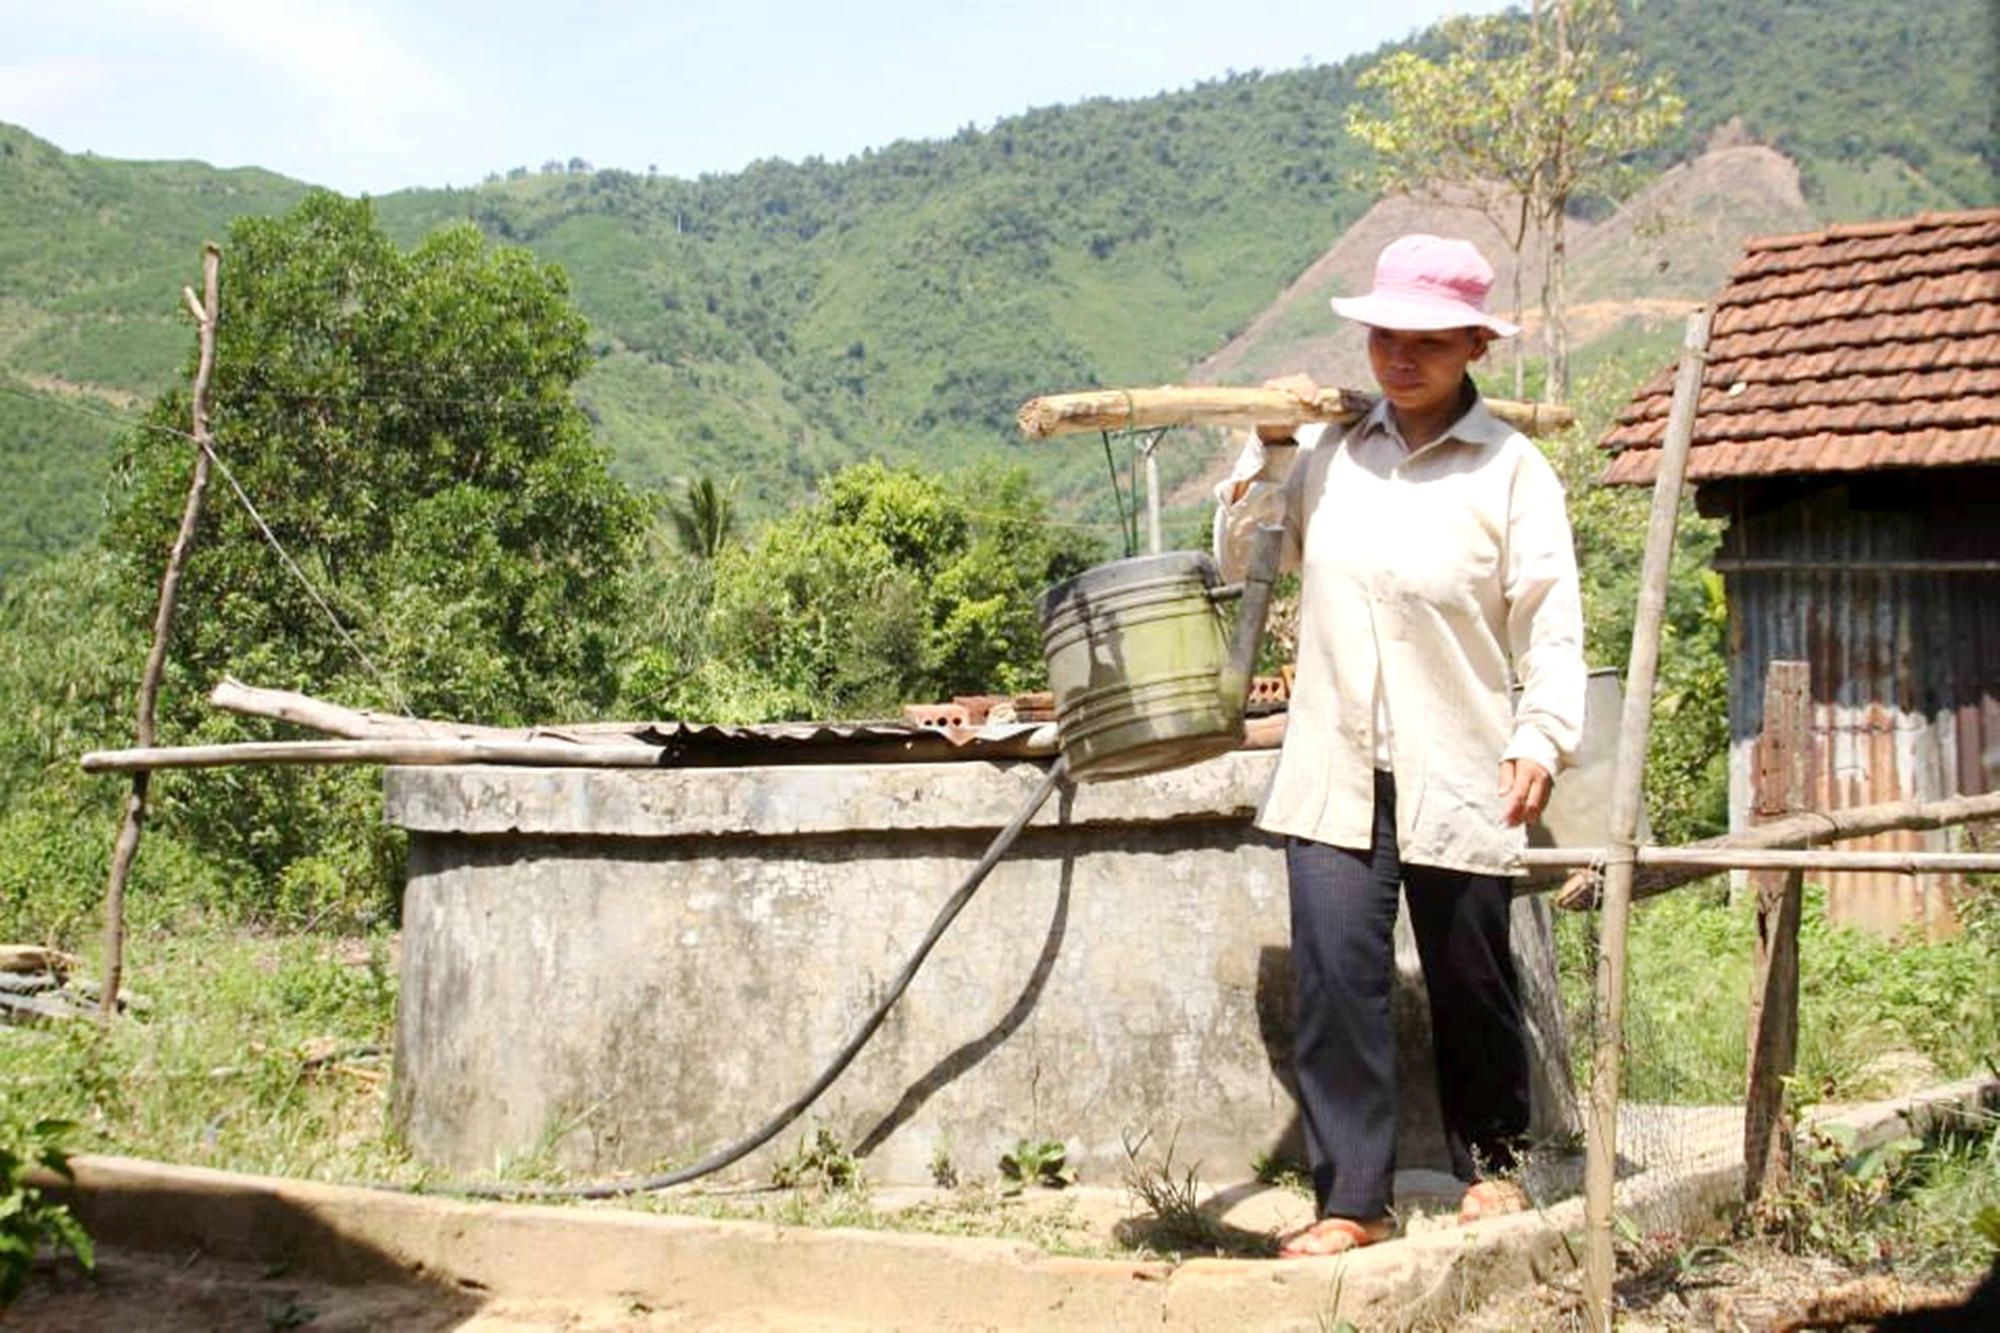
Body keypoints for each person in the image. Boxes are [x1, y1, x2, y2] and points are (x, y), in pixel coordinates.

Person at [1212, 233, 1586, 1258]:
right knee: (1336, 977)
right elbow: (1240, 556)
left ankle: (1496, 1164)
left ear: (1473, 343)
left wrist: (1541, 736)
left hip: (1462, 757)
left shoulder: (1510, 471)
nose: (1400, 358)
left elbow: (1548, 623)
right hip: (1333, 760)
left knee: (1470, 974)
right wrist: (1269, 445)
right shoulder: (1330, 456)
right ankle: (1352, 1199)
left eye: (1426, 340)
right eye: (1385, 337)